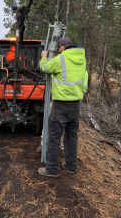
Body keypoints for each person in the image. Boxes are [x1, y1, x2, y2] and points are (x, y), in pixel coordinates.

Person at [38, 37, 88, 178]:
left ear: (61, 47)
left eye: (59, 49)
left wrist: (43, 57)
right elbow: (84, 77)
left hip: (61, 105)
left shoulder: (61, 59)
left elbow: (44, 68)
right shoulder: (82, 58)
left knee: (54, 137)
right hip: (76, 105)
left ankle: (52, 169)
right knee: (72, 137)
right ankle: (71, 166)